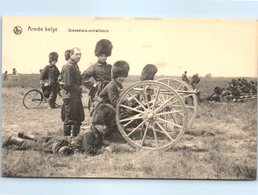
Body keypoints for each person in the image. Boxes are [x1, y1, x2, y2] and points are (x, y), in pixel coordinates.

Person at [2, 104, 116, 156]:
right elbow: (89, 151)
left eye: (108, 126)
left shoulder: (98, 132)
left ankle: (26, 135)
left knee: (45, 139)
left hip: (66, 140)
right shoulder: (89, 133)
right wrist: (104, 151)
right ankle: (14, 140)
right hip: (63, 145)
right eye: (104, 125)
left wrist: (104, 146)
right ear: (97, 124)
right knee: (39, 147)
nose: (106, 128)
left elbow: (98, 143)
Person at [81, 39, 113, 114]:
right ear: (98, 56)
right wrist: (93, 83)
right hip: (98, 91)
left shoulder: (110, 67)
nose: (103, 57)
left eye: (105, 56)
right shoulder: (94, 67)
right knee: (97, 109)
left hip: (108, 91)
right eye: (101, 56)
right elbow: (83, 77)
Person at [60, 47, 85, 137]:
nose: (79, 56)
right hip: (70, 96)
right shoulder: (68, 67)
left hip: (75, 96)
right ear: (71, 55)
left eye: (80, 54)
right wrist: (80, 89)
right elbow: (68, 84)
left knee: (79, 117)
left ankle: (75, 138)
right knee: (70, 119)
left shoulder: (75, 65)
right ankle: (66, 140)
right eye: (76, 54)